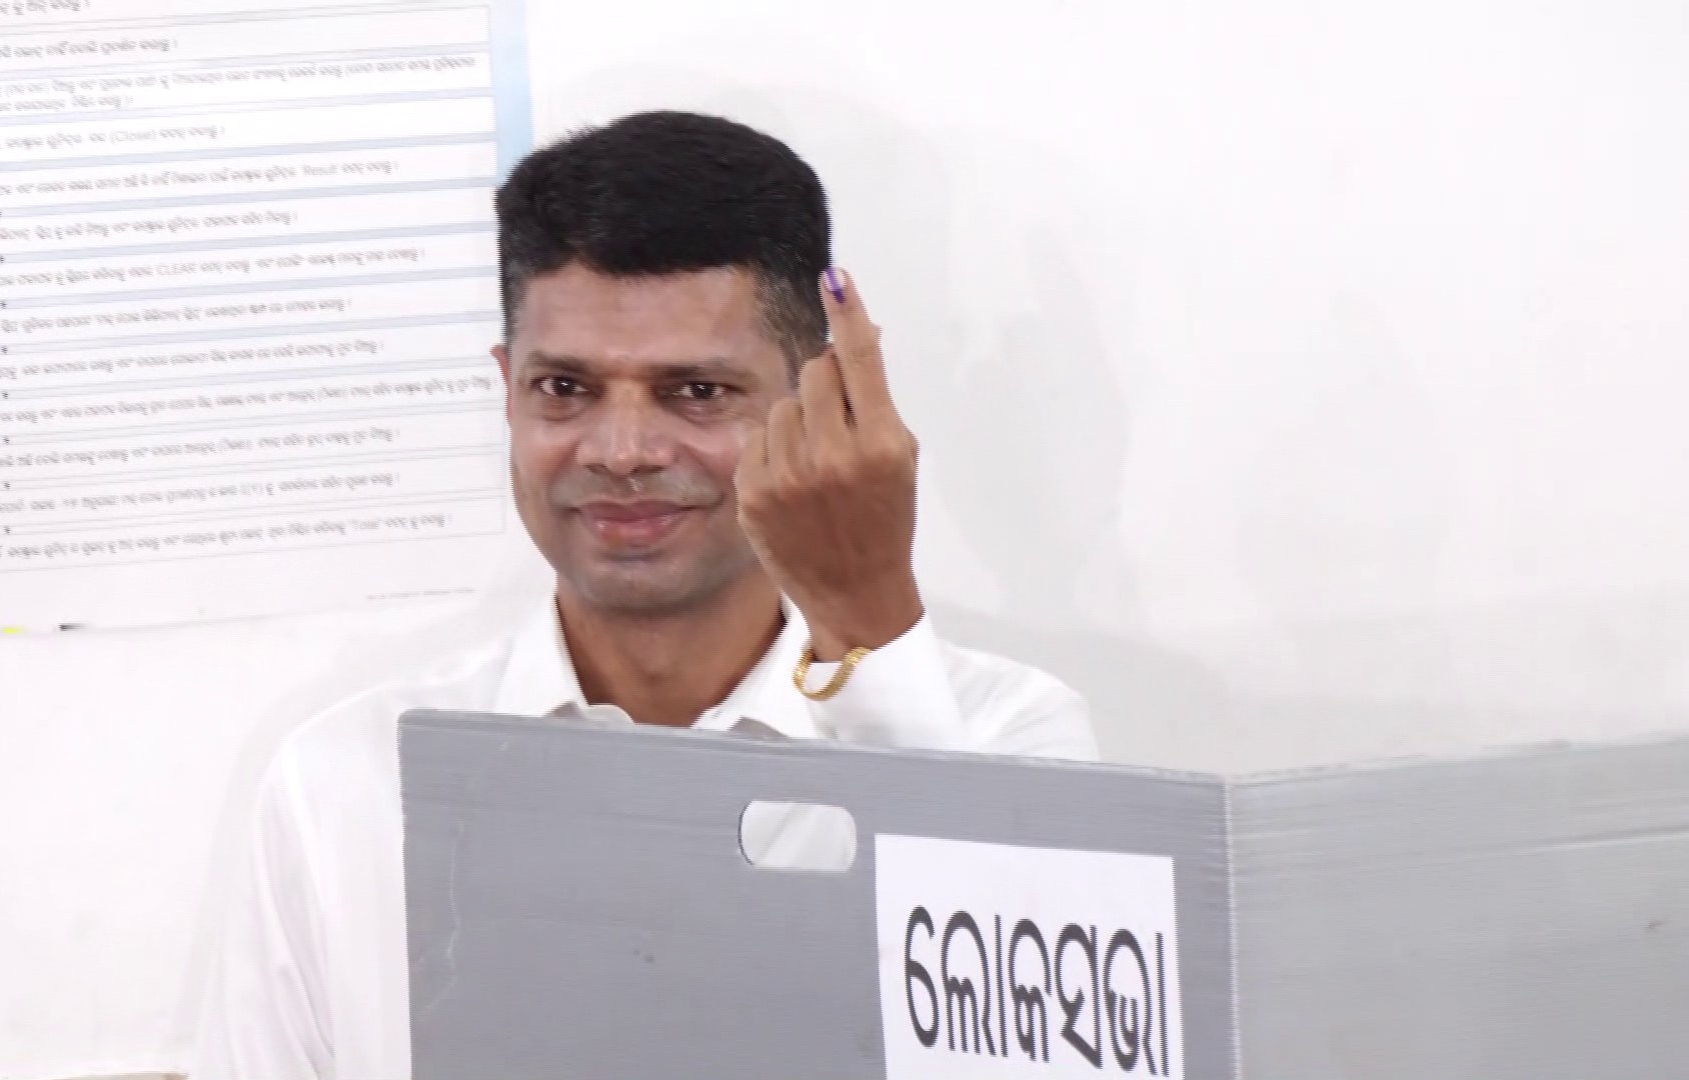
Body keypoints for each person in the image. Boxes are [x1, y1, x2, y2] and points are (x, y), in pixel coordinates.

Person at [191, 110, 1099, 1079]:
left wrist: (872, 620)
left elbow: (1026, 1058)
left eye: (697, 393)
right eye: (564, 389)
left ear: (819, 410)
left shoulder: (1008, 739)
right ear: (507, 389)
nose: (621, 452)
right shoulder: (346, 780)